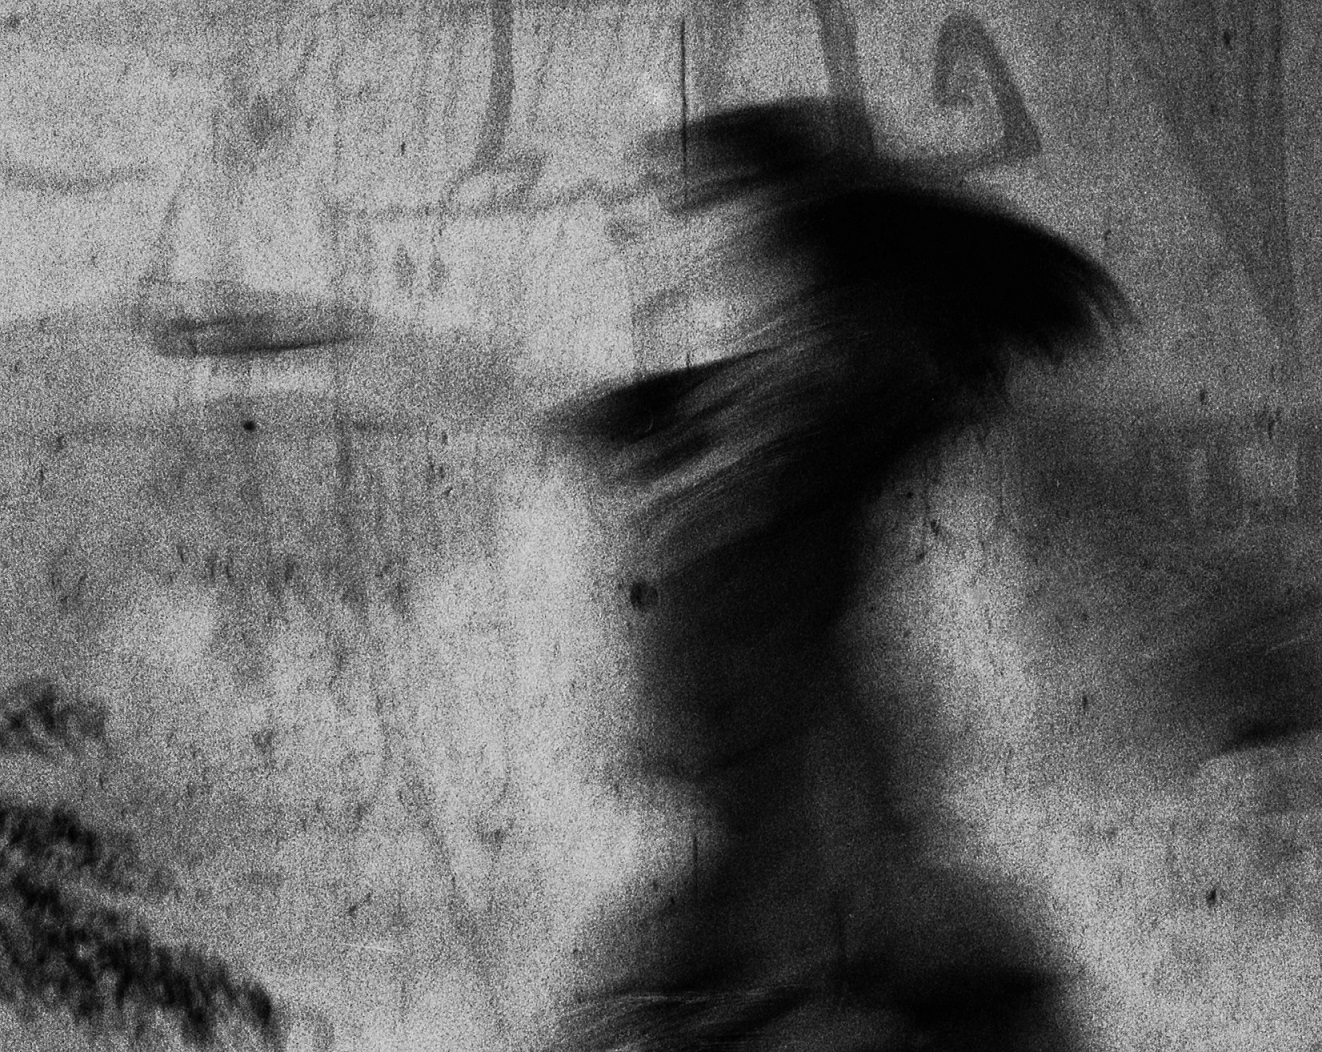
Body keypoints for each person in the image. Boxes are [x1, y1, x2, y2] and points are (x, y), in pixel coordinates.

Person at [534, 98, 1130, 1051]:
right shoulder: (731, 401)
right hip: (760, 823)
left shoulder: (846, 389)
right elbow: (564, 418)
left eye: (701, 203)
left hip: (811, 823)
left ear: (779, 217)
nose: (660, 232)